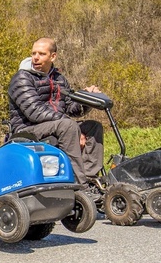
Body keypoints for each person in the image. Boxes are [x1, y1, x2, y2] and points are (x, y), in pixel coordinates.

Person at [7, 37, 104, 185]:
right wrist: (70, 125)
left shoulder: (59, 78)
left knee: (94, 127)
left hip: (54, 124)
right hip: (26, 129)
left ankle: (89, 176)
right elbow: (35, 112)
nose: (35, 57)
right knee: (68, 126)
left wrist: (86, 98)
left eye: (41, 54)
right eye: (34, 53)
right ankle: (78, 184)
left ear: (53, 56)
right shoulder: (21, 78)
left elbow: (71, 108)